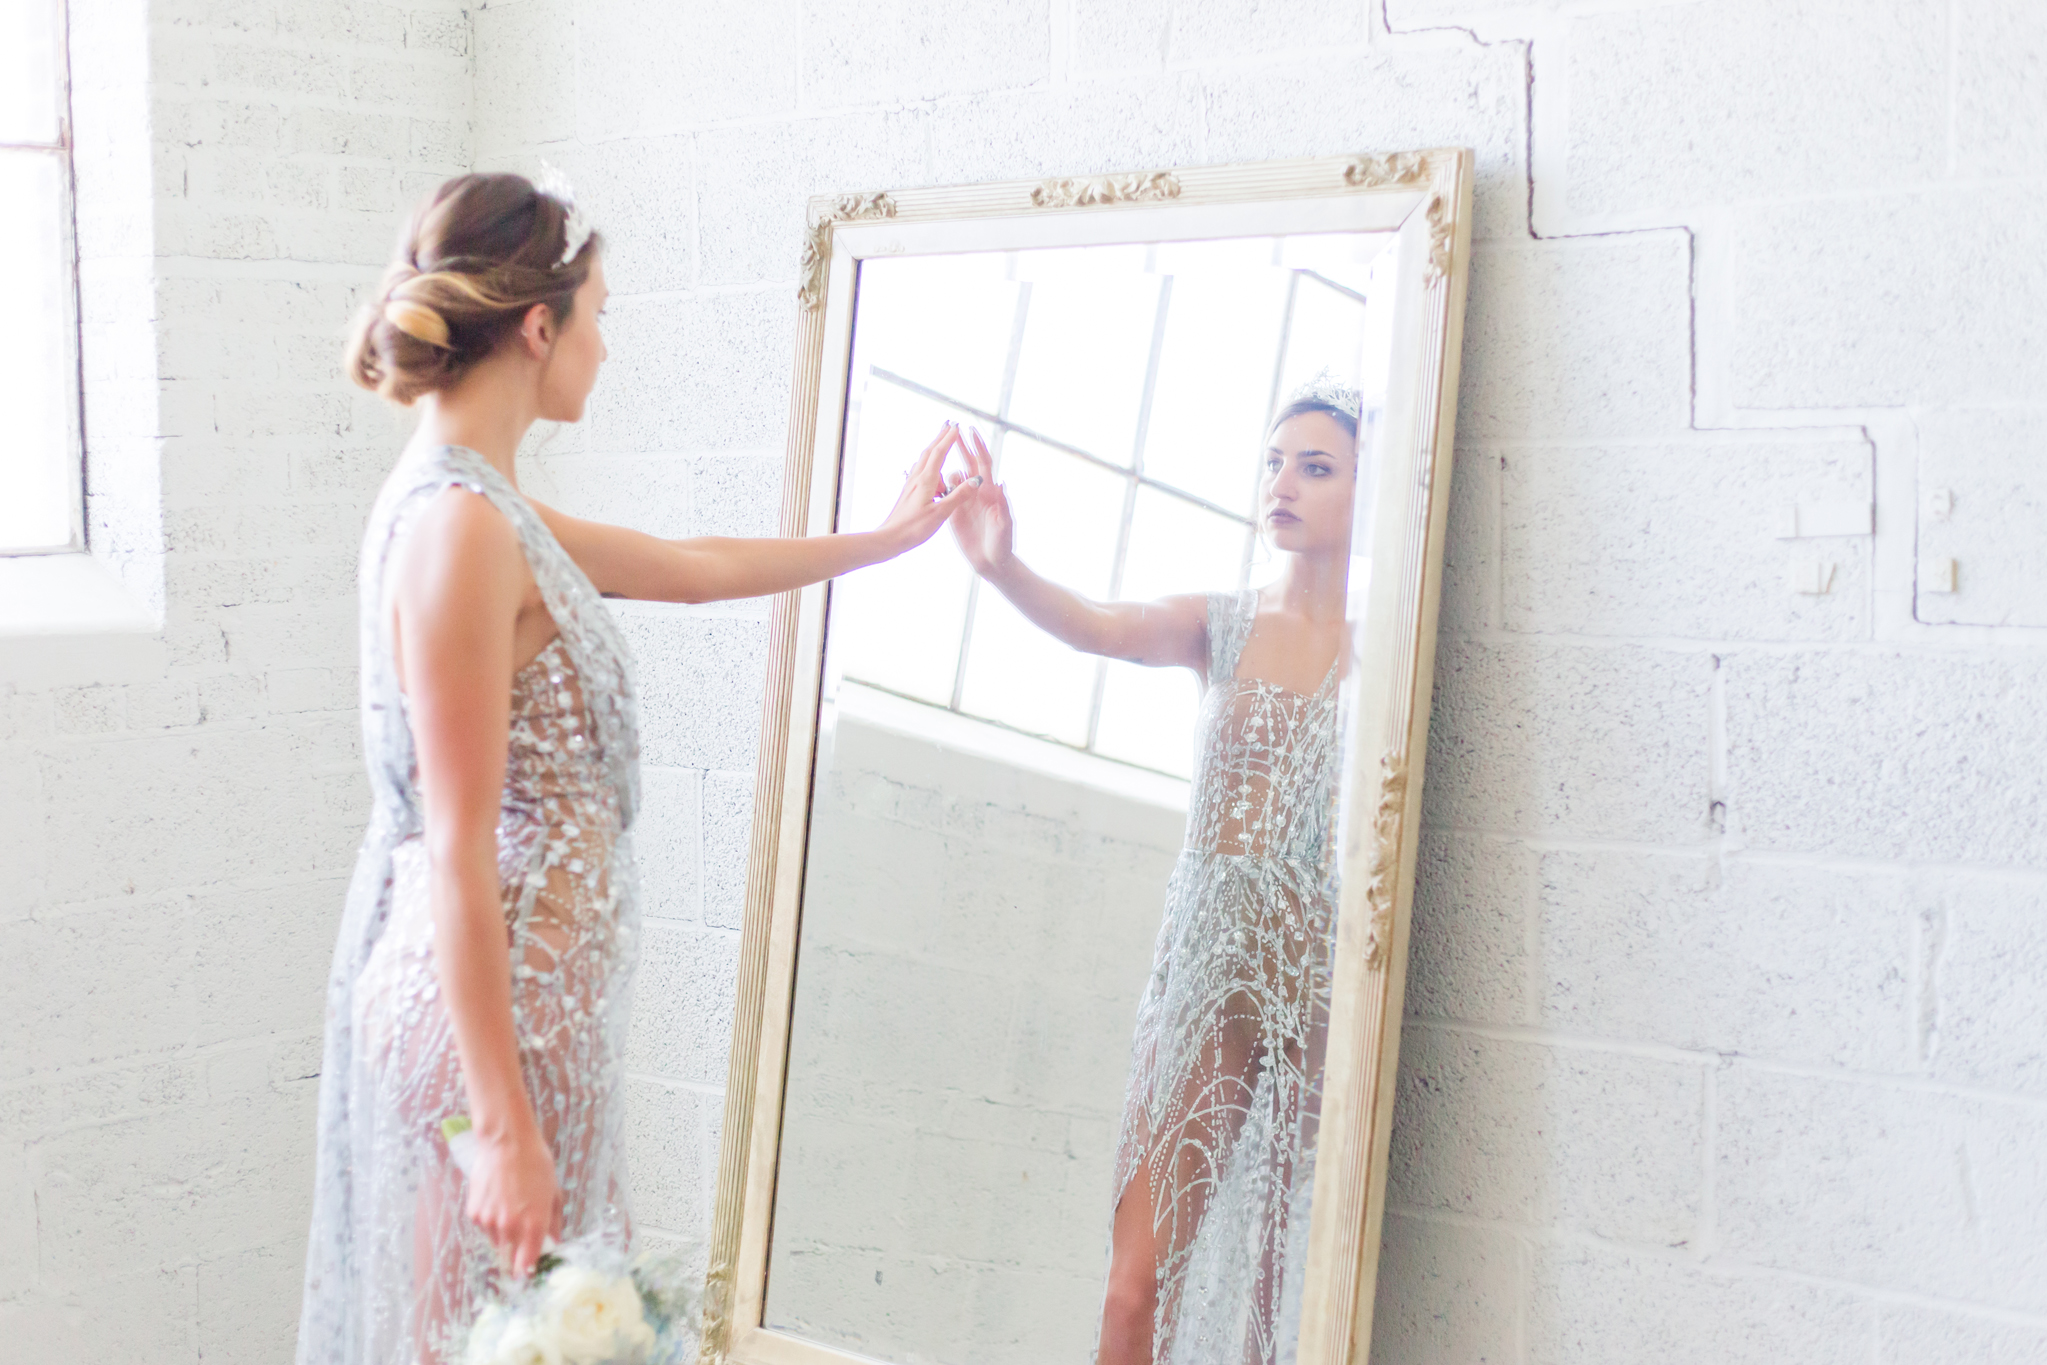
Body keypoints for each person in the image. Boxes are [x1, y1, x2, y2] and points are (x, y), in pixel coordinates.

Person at [296, 171, 974, 1365]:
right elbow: (454, 847)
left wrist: (888, 537)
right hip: (481, 1030)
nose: (604, 346)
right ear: (538, 327)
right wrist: (501, 1122)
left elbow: (692, 565)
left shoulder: (488, 507)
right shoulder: (459, 527)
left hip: (528, 1018)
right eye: (597, 315)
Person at [946, 379, 1363, 1365]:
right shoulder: (1223, 622)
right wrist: (1002, 568)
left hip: (1326, 997)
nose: (1283, 484)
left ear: (1368, 494)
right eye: (1274, 462)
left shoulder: (1382, 654)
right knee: (1133, 1288)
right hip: (1208, 983)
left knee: (1284, 1302)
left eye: (1315, 468)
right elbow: (1099, 623)